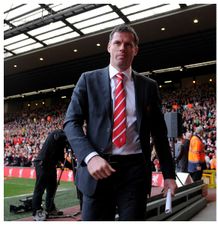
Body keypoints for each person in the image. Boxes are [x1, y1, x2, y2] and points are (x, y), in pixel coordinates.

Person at [64, 24, 177, 221]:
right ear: (109, 47)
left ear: (135, 49)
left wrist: (169, 175)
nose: (122, 48)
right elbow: (71, 122)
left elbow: (159, 133)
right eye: (117, 43)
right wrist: (90, 157)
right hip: (98, 169)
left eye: (128, 44)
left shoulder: (148, 87)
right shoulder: (88, 80)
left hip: (134, 172)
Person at [32, 129, 67, 221]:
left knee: (52, 188)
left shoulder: (61, 144)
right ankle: (36, 212)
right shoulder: (58, 133)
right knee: (40, 189)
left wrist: (74, 166)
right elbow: (57, 135)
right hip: (42, 164)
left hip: (51, 165)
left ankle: (50, 208)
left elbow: (61, 158)